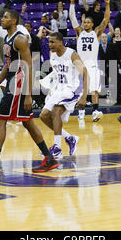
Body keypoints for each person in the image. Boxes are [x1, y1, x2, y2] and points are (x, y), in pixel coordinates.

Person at [0, 10, 59, 177]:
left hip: (18, 85)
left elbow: (29, 66)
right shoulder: (7, 39)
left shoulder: (20, 39)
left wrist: (28, 95)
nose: (2, 20)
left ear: (13, 20)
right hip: (13, 82)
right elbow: (7, 65)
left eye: (5, 17)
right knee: (28, 122)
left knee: (1, 120)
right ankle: (49, 158)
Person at [39, 31, 88, 159]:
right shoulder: (53, 55)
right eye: (49, 42)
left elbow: (85, 73)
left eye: (52, 42)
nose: (50, 44)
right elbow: (56, 74)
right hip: (59, 90)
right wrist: (51, 87)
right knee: (44, 116)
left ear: (60, 42)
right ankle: (69, 138)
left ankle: (57, 148)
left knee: (53, 112)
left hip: (72, 90)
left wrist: (84, 96)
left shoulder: (72, 54)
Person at [69, 0, 110, 122]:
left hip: (92, 64)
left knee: (94, 90)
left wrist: (107, 4)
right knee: (81, 90)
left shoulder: (96, 32)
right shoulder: (79, 32)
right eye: (84, 22)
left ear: (92, 24)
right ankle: (81, 112)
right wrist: (72, 3)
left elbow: (106, 19)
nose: (86, 23)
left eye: (88, 22)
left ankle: (94, 112)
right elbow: (72, 17)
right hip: (80, 65)